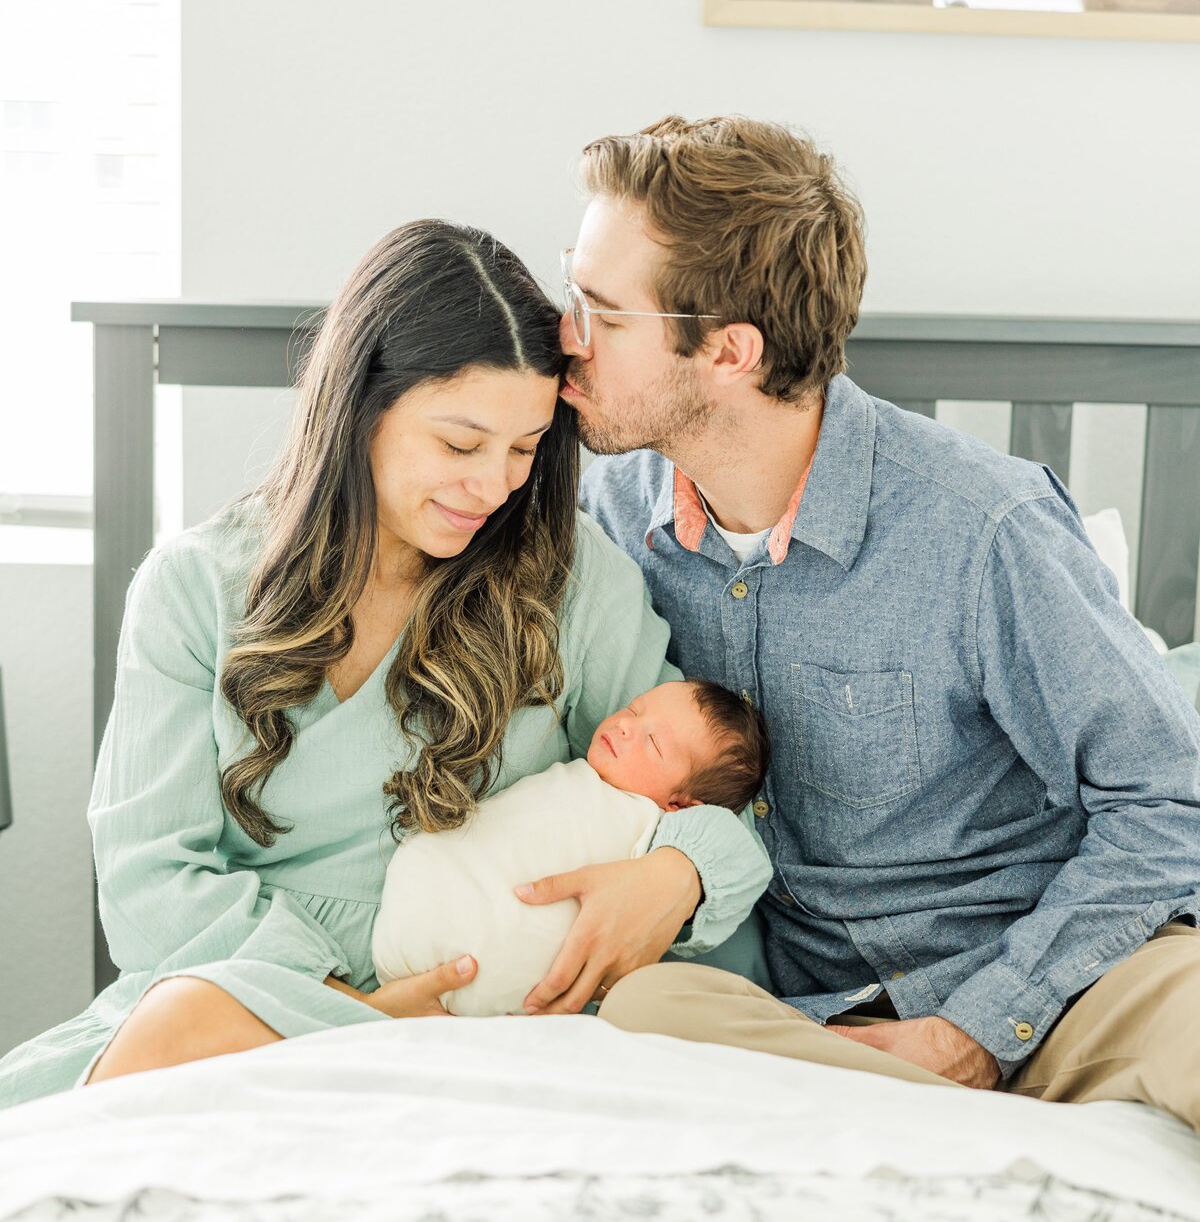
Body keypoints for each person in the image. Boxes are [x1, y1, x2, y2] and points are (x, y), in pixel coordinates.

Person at [0, 219, 772, 1108]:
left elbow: (704, 790)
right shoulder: (194, 589)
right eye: (459, 444)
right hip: (255, 994)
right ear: (363, 405)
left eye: (524, 450)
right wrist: (352, 1006)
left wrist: (681, 872)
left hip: (495, 1008)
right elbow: (151, 886)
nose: (493, 487)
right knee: (178, 1027)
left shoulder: (569, 574)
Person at [562, 114, 1200, 1128]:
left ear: (727, 351)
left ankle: (906, 1099)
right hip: (810, 1012)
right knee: (645, 1009)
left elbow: (1172, 799)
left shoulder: (984, 527)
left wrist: (983, 1027)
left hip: (1063, 983)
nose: (567, 338)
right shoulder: (610, 520)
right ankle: (896, 1102)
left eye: (601, 311)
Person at [372, 678, 771, 1016]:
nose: (627, 727)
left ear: (680, 806)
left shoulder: (649, 834)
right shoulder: (575, 779)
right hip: (419, 905)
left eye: (653, 742)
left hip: (483, 969)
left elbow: (741, 858)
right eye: (633, 711)